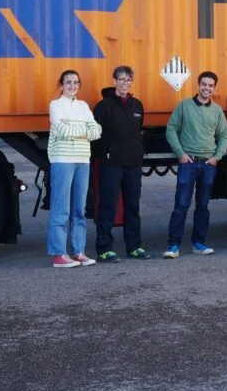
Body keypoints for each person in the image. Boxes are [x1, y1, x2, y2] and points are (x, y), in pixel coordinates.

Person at [163, 71, 227, 259]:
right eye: (204, 84)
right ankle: (173, 245)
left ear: (214, 88)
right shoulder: (184, 106)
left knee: (203, 205)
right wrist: (180, 154)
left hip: (208, 164)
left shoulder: (217, 110)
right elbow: (171, 129)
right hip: (188, 162)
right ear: (198, 85)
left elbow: (224, 135)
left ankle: (198, 243)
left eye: (210, 85)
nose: (207, 88)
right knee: (181, 204)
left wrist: (217, 157)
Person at [91, 65, 151, 263]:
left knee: (132, 206)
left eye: (128, 80)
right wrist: (106, 154)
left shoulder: (137, 105)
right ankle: (104, 249)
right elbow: (96, 135)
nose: (125, 83)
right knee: (108, 206)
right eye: (122, 79)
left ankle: (134, 246)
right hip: (112, 164)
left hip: (133, 164)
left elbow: (138, 130)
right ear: (114, 81)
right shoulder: (104, 106)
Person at [47, 69, 102, 268]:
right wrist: (84, 131)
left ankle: (79, 252)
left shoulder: (83, 106)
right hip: (62, 160)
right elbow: (62, 130)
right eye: (68, 82)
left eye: (76, 82)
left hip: (82, 160)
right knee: (61, 209)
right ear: (61, 85)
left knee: (79, 210)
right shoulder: (55, 105)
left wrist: (74, 129)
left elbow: (97, 131)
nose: (72, 85)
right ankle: (59, 254)